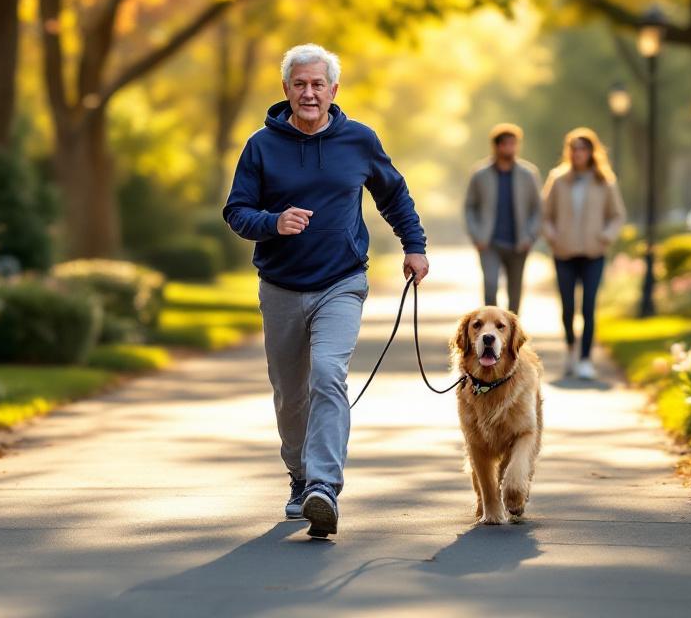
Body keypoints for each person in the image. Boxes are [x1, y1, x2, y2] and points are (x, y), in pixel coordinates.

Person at [222, 43, 430, 540]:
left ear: (333, 90)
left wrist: (414, 245)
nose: (309, 93)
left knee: (328, 374)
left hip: (341, 282)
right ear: (287, 90)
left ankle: (323, 487)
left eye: (318, 84)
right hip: (280, 286)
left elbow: (393, 194)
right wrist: (274, 222)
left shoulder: (359, 140)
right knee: (290, 395)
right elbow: (236, 211)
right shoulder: (261, 146)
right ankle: (298, 477)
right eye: (300, 84)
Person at [542, 128, 626, 380]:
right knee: (568, 307)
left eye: (583, 148)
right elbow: (545, 215)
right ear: (569, 151)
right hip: (564, 253)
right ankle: (570, 350)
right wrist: (553, 237)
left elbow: (617, 215)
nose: (578, 153)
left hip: (593, 253)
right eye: (574, 148)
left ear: (591, 151)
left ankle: (586, 358)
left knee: (588, 307)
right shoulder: (557, 179)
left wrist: (605, 236)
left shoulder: (604, 181)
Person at [463, 123, 542, 314]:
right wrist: (476, 235)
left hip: (519, 243)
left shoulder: (528, 174)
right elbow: (469, 207)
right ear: (496, 146)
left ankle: (512, 335)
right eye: (506, 144)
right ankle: (490, 327)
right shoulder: (480, 174)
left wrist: (531, 236)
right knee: (490, 286)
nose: (510, 148)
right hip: (489, 243)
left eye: (514, 144)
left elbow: (538, 209)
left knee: (515, 292)